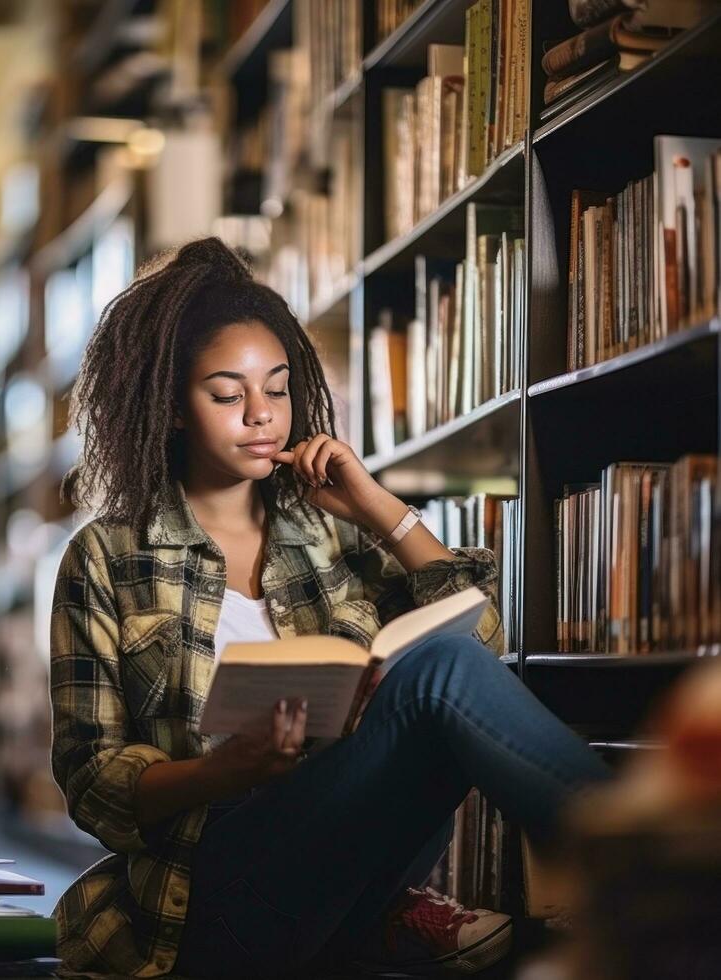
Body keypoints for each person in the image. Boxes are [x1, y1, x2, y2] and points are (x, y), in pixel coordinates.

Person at [49, 237, 615, 979]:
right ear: (174, 407)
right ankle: (649, 853)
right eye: (228, 394)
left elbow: (483, 645)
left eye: (277, 389)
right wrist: (227, 771)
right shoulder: (107, 556)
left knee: (444, 667)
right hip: (209, 895)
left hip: (342, 866)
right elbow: (92, 784)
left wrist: (379, 507)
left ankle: (638, 855)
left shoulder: (322, 533)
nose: (262, 415)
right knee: (440, 671)